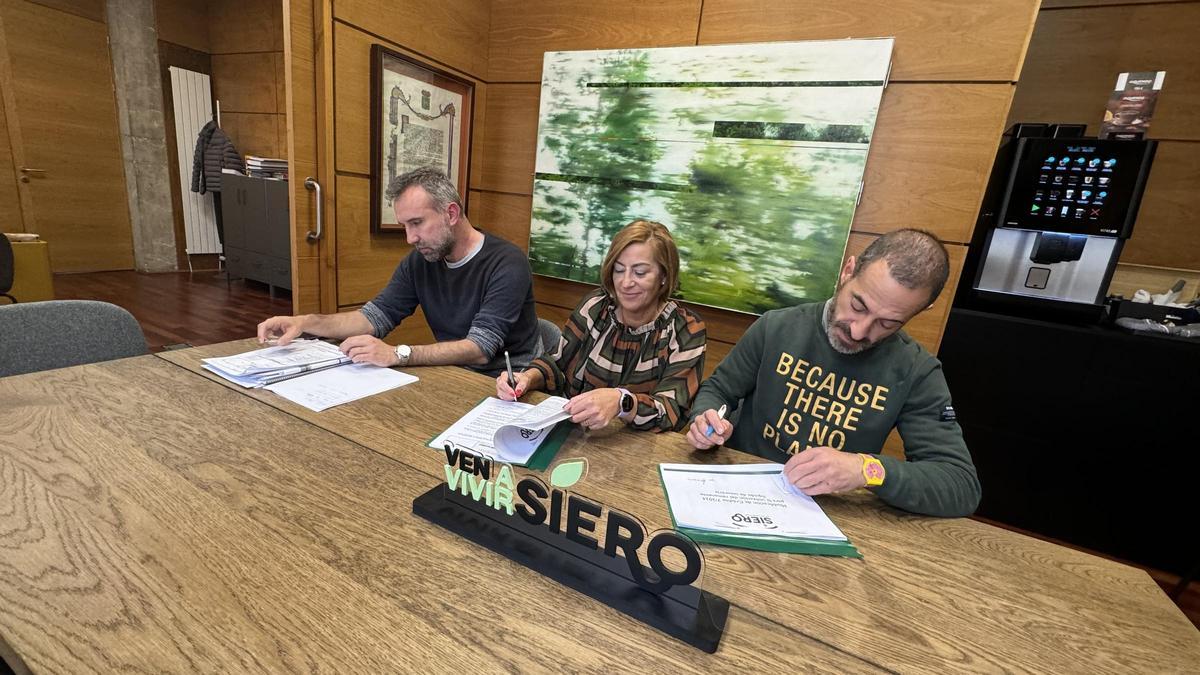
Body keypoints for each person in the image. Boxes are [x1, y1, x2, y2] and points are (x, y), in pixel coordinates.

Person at [686, 229, 981, 518]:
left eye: (888, 324)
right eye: (858, 305)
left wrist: (866, 469)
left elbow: (960, 485)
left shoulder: (918, 371)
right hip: (734, 490)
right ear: (848, 271)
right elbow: (719, 390)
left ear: (919, 311)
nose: (858, 330)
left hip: (828, 513)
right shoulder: (777, 327)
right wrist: (705, 418)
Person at [257, 167, 539, 376]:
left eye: (417, 223)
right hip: (452, 371)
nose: (410, 238)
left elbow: (480, 349)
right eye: (405, 225)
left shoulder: (507, 263)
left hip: (508, 379)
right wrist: (306, 322)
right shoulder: (420, 262)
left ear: (451, 214)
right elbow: (373, 318)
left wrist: (397, 353)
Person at [497, 220, 706, 432]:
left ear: (664, 275)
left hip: (634, 448)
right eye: (618, 270)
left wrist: (622, 402)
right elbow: (557, 364)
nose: (625, 283)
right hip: (571, 434)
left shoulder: (685, 330)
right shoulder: (596, 306)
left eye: (640, 272)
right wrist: (526, 378)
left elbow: (671, 412)